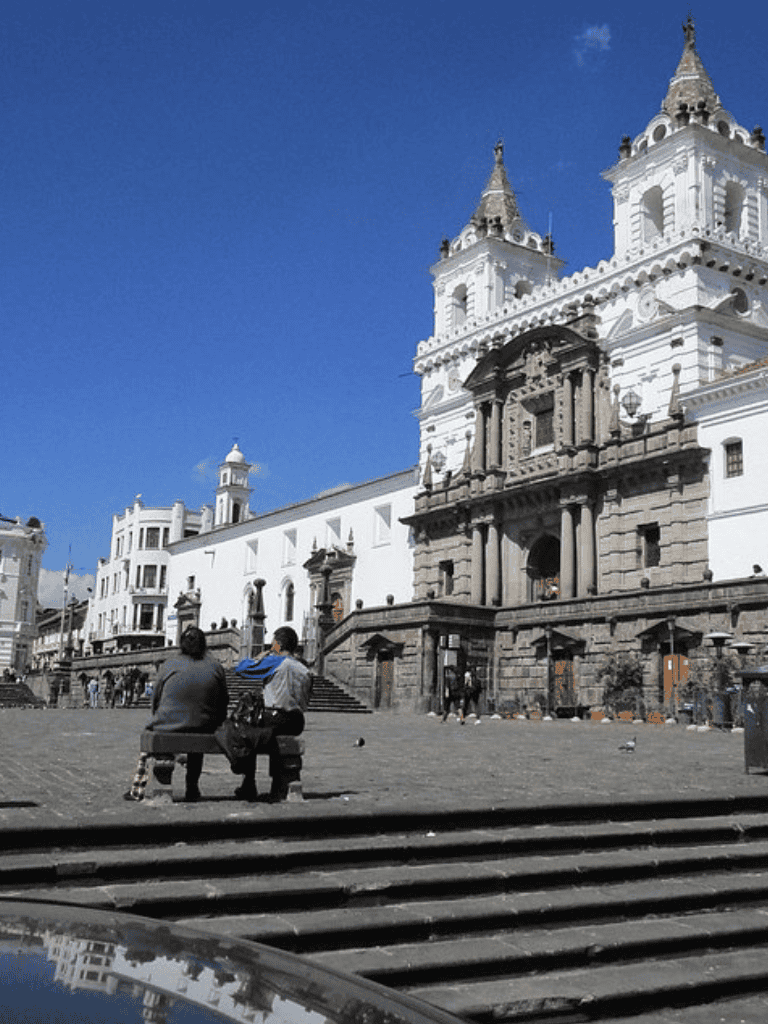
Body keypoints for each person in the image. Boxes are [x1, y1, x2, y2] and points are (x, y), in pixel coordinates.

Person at [145, 626, 229, 802]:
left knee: (156, 734)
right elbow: (224, 701)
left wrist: (159, 716)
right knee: (197, 738)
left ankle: (161, 784)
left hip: (169, 724)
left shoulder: (169, 664)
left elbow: (155, 699)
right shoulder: (215, 666)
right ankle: (192, 785)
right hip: (205, 725)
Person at [231, 625, 312, 801]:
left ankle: (249, 783)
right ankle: (278, 784)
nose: (271, 646)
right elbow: (305, 701)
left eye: (274, 642)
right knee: (271, 734)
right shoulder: (303, 668)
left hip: (276, 717)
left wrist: (259, 657)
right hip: (296, 720)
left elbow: (241, 669)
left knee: (249, 731)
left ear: (279, 644)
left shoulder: (275, 661)